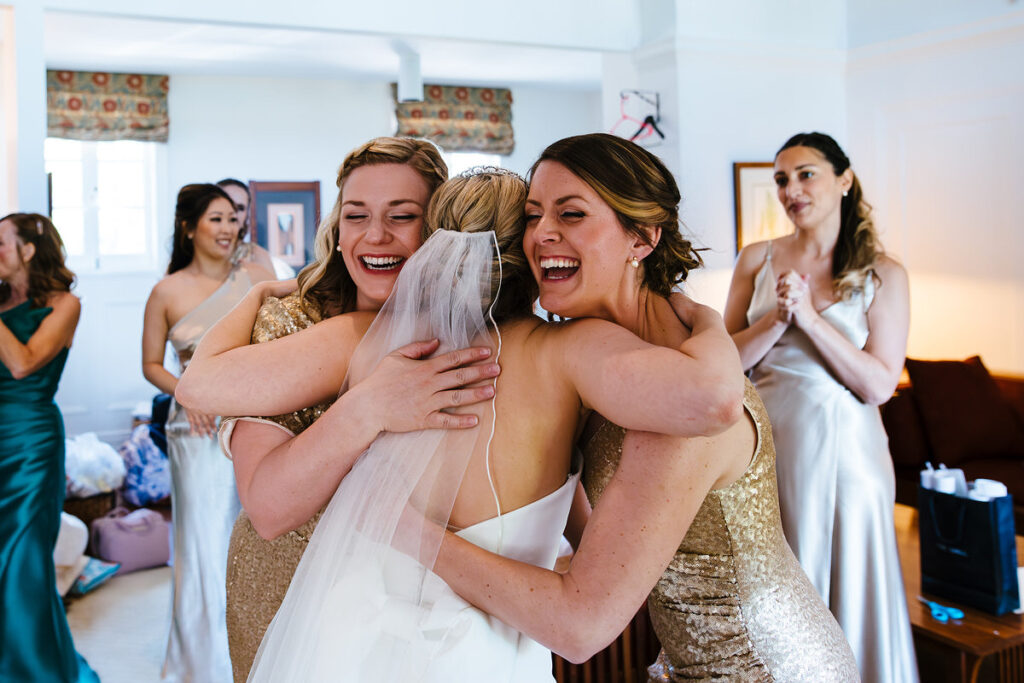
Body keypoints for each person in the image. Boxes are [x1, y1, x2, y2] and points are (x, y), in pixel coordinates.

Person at [182, 165, 743, 682]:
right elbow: (707, 400)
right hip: (477, 653)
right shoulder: (572, 353)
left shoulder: (369, 340)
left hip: (350, 636)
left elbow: (197, 383)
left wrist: (256, 296)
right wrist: (706, 321)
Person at [422, 135, 860, 681]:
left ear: (642, 237)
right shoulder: (600, 360)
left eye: (572, 213)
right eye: (532, 216)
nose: (542, 235)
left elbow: (578, 628)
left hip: (767, 668)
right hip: (686, 662)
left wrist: (411, 535)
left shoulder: (679, 408)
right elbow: (599, 538)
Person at [179, 137, 493, 683]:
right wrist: (367, 406)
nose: (376, 236)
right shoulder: (293, 321)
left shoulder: (467, 328)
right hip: (289, 589)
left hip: (409, 599)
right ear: (337, 228)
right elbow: (271, 509)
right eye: (356, 216)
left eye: (403, 216)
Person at [723, 131, 914, 682]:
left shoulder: (884, 273)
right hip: (766, 449)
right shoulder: (756, 258)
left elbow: (878, 384)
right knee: (780, 589)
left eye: (806, 173)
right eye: (782, 178)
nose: (791, 189)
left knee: (852, 586)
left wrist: (808, 317)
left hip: (850, 458)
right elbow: (723, 361)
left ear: (844, 179)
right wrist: (777, 319)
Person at [141, 183, 274, 682]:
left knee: (259, 536)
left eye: (232, 218)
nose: (226, 228)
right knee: (204, 545)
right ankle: (204, 667)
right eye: (215, 218)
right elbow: (151, 364)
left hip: (253, 417)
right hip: (195, 431)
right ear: (188, 226)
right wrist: (187, 392)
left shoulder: (258, 275)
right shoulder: (167, 291)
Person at [0, 213, 98, 682]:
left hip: (30, 443)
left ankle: (37, 671)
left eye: (0, 242)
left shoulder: (65, 304)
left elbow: (23, 364)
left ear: (29, 250)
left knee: (22, 558)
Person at [215, 178, 280, 276]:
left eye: (240, 208)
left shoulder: (257, 255)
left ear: (247, 214)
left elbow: (271, 290)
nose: (233, 213)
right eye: (228, 204)